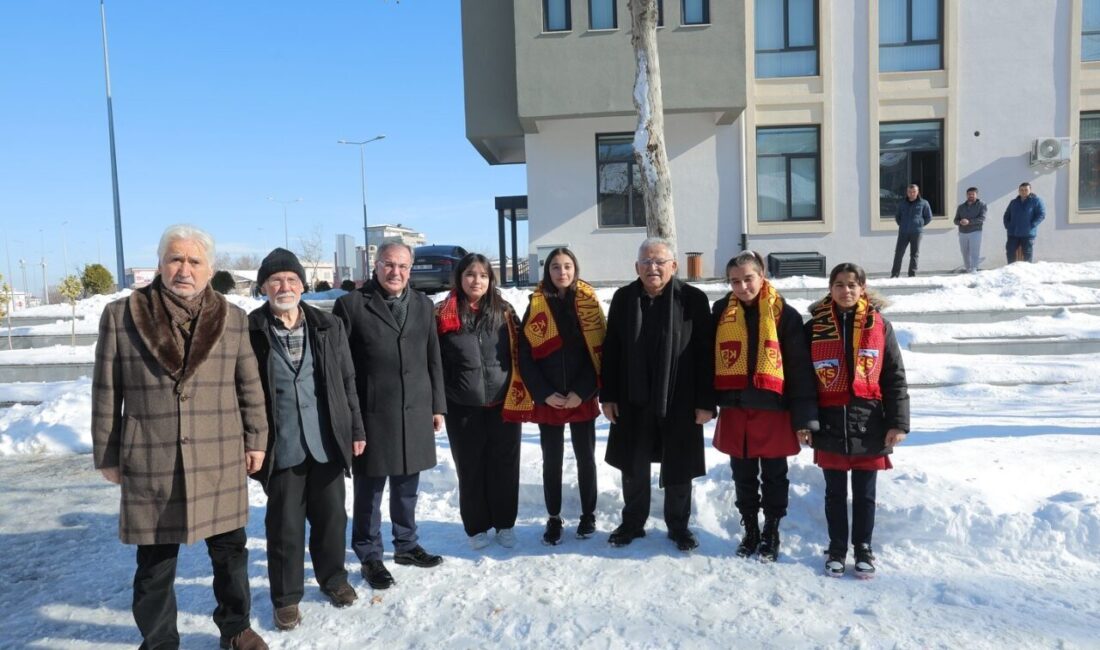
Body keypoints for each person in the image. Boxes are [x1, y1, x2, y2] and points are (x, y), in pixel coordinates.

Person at [91, 225, 269, 650]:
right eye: (175, 259)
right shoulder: (122, 316)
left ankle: (236, 629)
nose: (183, 269)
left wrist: (256, 438)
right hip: (151, 458)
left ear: (209, 270)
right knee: (155, 565)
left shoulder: (232, 318)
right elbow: (105, 391)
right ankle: (159, 642)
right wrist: (107, 453)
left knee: (230, 555)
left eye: (194, 261)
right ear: (160, 264)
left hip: (219, 455)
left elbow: (249, 385)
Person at [247, 248, 365, 631]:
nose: (285, 286)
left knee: (332, 516)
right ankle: (286, 598)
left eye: (292, 280)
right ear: (264, 286)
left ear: (302, 285)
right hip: (281, 443)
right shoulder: (250, 330)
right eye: (276, 280)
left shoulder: (326, 325)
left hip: (326, 438)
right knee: (285, 524)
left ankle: (333, 578)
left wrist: (356, 430)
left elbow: (347, 381)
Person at [333, 242, 446, 591]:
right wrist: (351, 419)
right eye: (388, 265)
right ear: (375, 266)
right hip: (371, 412)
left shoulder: (424, 305)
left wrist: (437, 405)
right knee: (369, 491)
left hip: (414, 409)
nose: (395, 272)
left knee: (407, 486)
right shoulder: (351, 305)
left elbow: (433, 357)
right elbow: (342, 368)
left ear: (410, 269)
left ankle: (406, 545)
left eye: (402, 266)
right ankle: (369, 554)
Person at [601, 237, 715, 552]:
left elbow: (706, 353)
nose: (653, 267)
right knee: (633, 464)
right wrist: (608, 396)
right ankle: (632, 523)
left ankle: (679, 526)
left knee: (679, 465)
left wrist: (706, 401)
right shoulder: (624, 298)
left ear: (674, 266)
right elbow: (612, 350)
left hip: (680, 396)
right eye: (646, 262)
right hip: (631, 397)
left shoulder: (692, 299)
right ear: (637, 267)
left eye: (660, 261)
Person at [804, 263, 910, 578]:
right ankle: (837, 548)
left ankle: (863, 547)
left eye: (852, 284)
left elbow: (894, 376)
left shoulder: (880, 325)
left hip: (870, 423)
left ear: (862, 287)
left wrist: (898, 422)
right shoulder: (814, 327)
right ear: (830, 288)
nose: (846, 290)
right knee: (834, 492)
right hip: (829, 421)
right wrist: (806, 422)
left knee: (865, 494)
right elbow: (805, 381)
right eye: (839, 284)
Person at [711, 251, 818, 562]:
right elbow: (708, 360)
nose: (742, 286)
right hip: (735, 407)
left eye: (748, 279)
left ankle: (771, 528)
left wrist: (804, 418)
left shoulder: (785, 314)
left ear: (762, 277)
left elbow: (799, 370)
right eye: (735, 281)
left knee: (774, 475)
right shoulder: (720, 311)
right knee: (742, 475)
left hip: (774, 408)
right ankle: (750, 529)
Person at [437, 253, 528, 549]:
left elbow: (521, 351)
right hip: (462, 405)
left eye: (483, 276)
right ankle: (476, 527)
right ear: (460, 278)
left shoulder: (503, 311)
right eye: (470, 275)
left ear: (491, 280)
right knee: (470, 466)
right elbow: (434, 362)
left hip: (504, 402)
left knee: (505, 464)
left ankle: (505, 524)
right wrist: (438, 402)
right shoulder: (442, 313)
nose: (477, 281)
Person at [518, 247, 605, 545]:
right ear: (548, 271)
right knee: (551, 461)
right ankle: (553, 517)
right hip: (550, 398)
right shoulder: (536, 303)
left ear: (575, 269)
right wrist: (543, 393)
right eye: (556, 267)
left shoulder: (589, 302)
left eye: (567, 266)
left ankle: (588, 514)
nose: (562, 272)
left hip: (581, 396)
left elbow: (598, 351)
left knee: (586, 459)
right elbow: (525, 355)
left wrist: (582, 392)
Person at [890, 183, 933, 278]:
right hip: (903, 232)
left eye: (914, 192)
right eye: (910, 192)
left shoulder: (924, 203)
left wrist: (920, 224)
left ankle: (912, 274)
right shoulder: (902, 203)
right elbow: (898, 216)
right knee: (898, 253)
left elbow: (929, 217)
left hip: (916, 232)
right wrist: (902, 224)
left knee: (914, 254)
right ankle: (894, 274)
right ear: (907, 192)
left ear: (917, 192)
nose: (912, 193)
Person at [1003, 182, 1046, 263]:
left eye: (1026, 190)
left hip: (1027, 234)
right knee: (1010, 253)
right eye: (1021, 190)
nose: (1023, 191)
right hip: (1013, 233)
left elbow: (1041, 214)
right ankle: (1010, 270)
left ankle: (1026, 272)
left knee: (1027, 254)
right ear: (1019, 191)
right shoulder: (1014, 202)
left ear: (1030, 190)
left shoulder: (1036, 201)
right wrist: (1008, 226)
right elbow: (1006, 215)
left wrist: (1032, 225)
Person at [953, 187, 986, 273]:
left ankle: (974, 269)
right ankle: (968, 269)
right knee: (964, 252)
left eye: (973, 194)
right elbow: (955, 220)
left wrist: (969, 222)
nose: (971, 196)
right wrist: (960, 222)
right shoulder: (961, 207)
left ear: (976, 195)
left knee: (974, 251)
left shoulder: (982, 205)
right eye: (969, 194)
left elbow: (982, 218)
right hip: (962, 232)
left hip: (975, 231)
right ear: (966, 195)